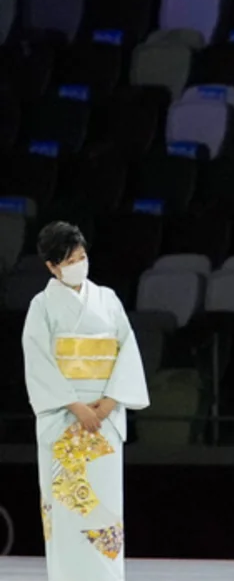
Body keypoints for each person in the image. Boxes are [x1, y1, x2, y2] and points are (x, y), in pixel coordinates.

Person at [22, 221, 150, 581]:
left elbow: (127, 351)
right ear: (52, 266)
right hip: (64, 419)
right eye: (70, 259)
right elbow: (38, 362)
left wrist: (108, 404)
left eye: (82, 257)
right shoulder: (41, 306)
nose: (80, 264)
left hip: (104, 420)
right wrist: (75, 407)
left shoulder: (107, 300)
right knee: (65, 508)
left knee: (104, 510)